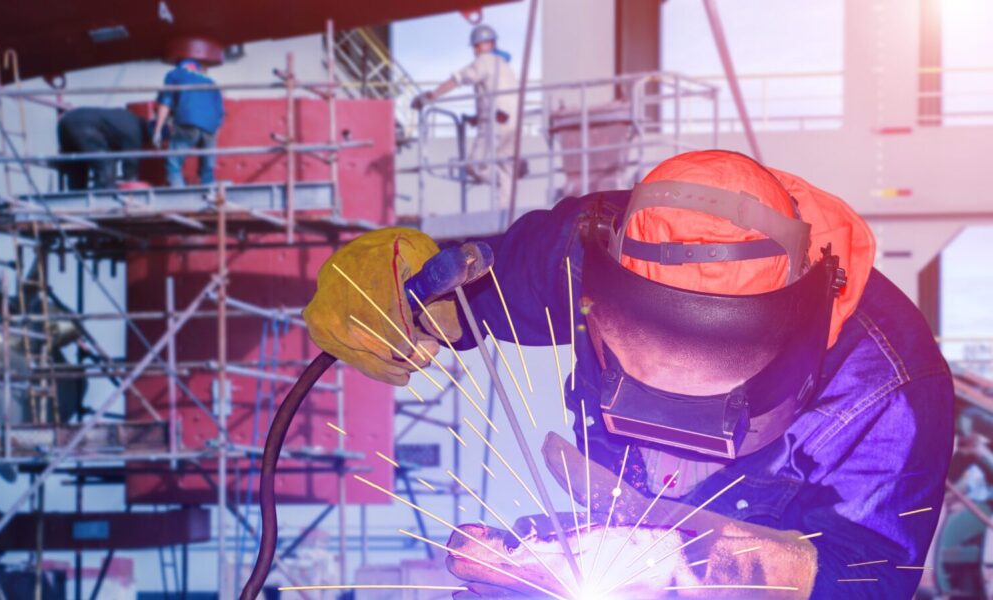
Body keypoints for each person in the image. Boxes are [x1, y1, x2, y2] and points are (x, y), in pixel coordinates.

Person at [304, 150, 954, 598]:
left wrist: (705, 569)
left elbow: (871, 577)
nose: (670, 443)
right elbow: (479, 291)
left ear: (798, 352)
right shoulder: (596, 250)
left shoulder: (891, 389)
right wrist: (403, 300)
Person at [412, 24, 520, 209]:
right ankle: (506, 211)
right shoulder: (504, 65)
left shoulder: (484, 61)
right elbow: (497, 95)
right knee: (505, 166)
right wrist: (476, 118)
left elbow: (459, 79)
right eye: (475, 46)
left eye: (478, 45)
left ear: (489, 44)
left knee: (474, 165)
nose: (476, 50)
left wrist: (432, 96)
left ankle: (501, 187)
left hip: (495, 121)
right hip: (512, 121)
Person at [153, 57, 224, 187]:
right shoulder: (211, 81)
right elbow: (220, 112)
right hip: (211, 127)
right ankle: (210, 196)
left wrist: (157, 130)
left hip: (188, 122)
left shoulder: (174, 74)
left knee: (173, 164)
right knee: (207, 168)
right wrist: (213, 135)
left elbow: (165, 103)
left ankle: (180, 198)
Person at [56, 107, 150, 190]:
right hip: (84, 127)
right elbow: (131, 167)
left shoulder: (128, 119)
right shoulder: (135, 132)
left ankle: (76, 201)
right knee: (106, 166)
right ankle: (102, 201)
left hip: (66, 121)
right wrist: (133, 191)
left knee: (78, 168)